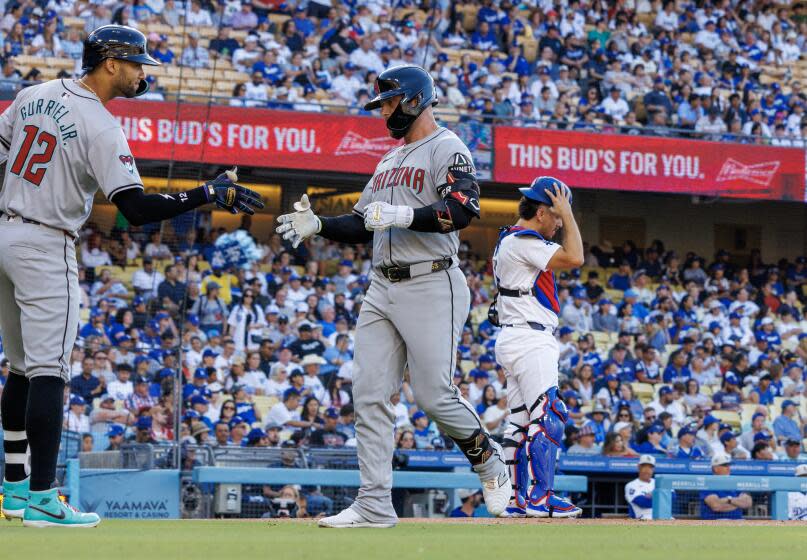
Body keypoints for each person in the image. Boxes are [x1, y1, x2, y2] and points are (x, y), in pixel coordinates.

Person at [0, 25, 263, 528]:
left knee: (20, 368)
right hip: (46, 242)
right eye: (138, 63)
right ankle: (40, 497)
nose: (144, 73)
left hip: (5, 233)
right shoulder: (101, 125)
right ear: (110, 64)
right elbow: (136, 209)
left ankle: (13, 488)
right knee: (49, 372)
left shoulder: (33, 93)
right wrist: (205, 194)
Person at [276, 65, 509, 528]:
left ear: (417, 99)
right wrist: (321, 224)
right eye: (382, 103)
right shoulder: (387, 160)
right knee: (369, 393)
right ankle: (374, 504)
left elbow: (464, 211)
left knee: (433, 396)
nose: (384, 110)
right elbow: (364, 223)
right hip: (381, 285)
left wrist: (403, 214)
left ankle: (490, 462)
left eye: (390, 101)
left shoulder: (448, 146)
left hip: (431, 278)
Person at [490, 177, 583, 519]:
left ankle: (517, 499)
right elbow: (575, 257)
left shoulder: (509, 239)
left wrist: (564, 213)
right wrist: (569, 214)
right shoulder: (525, 239)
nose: (560, 223)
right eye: (556, 215)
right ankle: (541, 497)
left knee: (520, 422)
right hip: (530, 339)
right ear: (542, 212)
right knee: (549, 416)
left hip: (515, 336)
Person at [700, 453, 753, 519]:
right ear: (715, 468)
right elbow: (716, 506)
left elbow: (748, 503)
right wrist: (738, 504)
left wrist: (729, 500)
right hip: (716, 522)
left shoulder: (735, 481)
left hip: (737, 522)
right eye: (725, 465)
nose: (728, 468)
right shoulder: (708, 483)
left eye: (729, 465)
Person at [625, 454, 656, 520]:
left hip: (664, 517)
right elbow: (643, 503)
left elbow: (673, 498)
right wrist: (661, 497)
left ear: (653, 469)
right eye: (644, 466)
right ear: (639, 467)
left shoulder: (659, 482)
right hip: (642, 519)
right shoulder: (631, 485)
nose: (647, 470)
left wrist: (653, 495)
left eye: (650, 467)